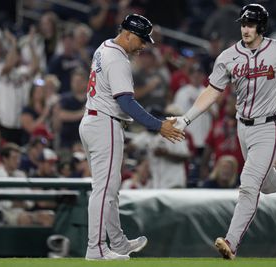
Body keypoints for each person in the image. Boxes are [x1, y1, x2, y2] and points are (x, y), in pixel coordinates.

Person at [172, 4, 276, 260]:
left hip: (271, 125)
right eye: (243, 24)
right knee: (267, 182)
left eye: (250, 24)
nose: (245, 28)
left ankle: (231, 242)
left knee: (249, 185)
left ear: (261, 26)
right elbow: (211, 91)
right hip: (243, 126)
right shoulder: (228, 56)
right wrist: (186, 119)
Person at [78, 14, 184, 261]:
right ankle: (96, 248)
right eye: (141, 39)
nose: (144, 45)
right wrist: (158, 126)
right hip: (105, 123)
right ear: (127, 34)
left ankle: (117, 242)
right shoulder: (117, 59)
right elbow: (125, 101)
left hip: (93, 120)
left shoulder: (104, 46)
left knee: (109, 190)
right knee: (104, 190)